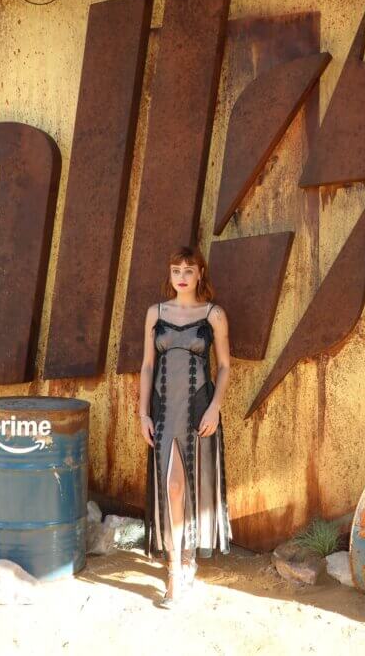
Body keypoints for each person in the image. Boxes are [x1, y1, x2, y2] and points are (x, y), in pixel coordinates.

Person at [138, 245, 234, 608]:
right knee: (171, 486)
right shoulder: (155, 314)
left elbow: (224, 366)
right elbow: (147, 366)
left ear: (200, 275)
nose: (181, 276)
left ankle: (185, 562)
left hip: (197, 408)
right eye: (176, 269)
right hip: (163, 410)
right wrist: (142, 412)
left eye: (189, 270)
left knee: (186, 485)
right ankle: (175, 569)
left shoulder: (214, 315)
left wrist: (215, 408)